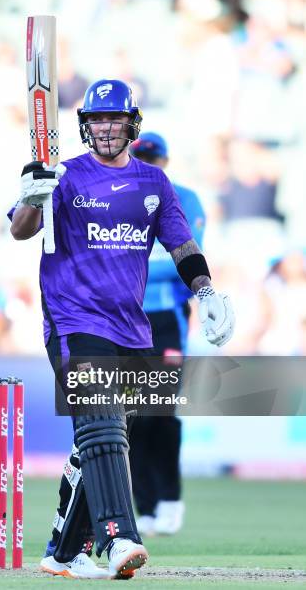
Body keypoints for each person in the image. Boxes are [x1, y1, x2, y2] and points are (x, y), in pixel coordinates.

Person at [8, 79, 234, 579]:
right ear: (85, 126)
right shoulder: (62, 174)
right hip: (73, 320)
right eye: (96, 121)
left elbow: (181, 245)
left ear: (132, 124)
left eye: (113, 119)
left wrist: (206, 292)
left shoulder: (154, 183)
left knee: (101, 436)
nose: (105, 128)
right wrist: (31, 196)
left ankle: (63, 553)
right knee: (104, 424)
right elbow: (22, 229)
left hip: (132, 330)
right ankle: (119, 538)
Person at [128, 132, 206, 536]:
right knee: (134, 418)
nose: (149, 164)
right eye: (142, 158)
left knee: (161, 410)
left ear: (165, 160)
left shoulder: (185, 198)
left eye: (154, 158)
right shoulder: (120, 195)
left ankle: (170, 498)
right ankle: (144, 507)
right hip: (124, 317)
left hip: (166, 318)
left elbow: (189, 255)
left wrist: (131, 259)